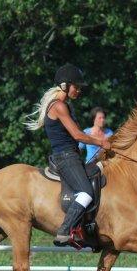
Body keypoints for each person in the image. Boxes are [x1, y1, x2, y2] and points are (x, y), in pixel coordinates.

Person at [25, 64, 111, 246]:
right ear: (64, 85)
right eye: (76, 86)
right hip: (65, 157)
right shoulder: (59, 107)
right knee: (87, 192)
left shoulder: (66, 106)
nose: (79, 90)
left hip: (72, 155)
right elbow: (78, 135)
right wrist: (101, 142)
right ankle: (65, 230)